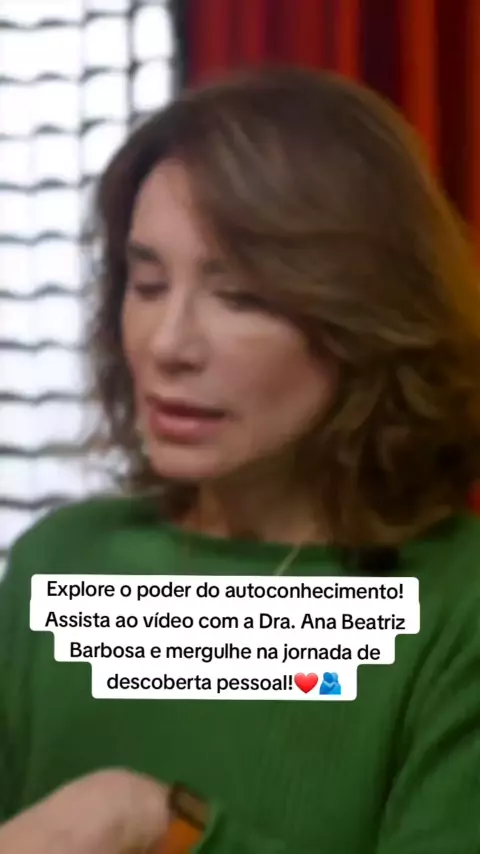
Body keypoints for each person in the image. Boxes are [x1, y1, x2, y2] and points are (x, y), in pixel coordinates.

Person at [1, 65, 480, 854]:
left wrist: (161, 827)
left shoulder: (456, 603)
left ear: (365, 318)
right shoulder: (63, 562)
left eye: (242, 297)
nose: (169, 345)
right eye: (147, 284)